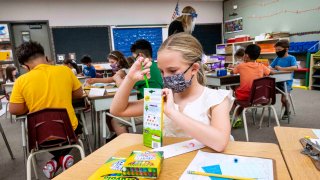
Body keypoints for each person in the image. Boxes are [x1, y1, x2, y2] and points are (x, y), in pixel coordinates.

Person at [110, 33, 233, 152]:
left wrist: (173, 113)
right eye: (162, 72)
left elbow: (220, 142)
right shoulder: (162, 97)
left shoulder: (216, 99)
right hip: (171, 164)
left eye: (172, 71)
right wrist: (130, 78)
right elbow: (118, 110)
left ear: (194, 68)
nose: (166, 77)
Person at [9, 41, 84, 178]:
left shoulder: (21, 80)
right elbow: (79, 94)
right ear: (46, 57)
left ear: (25, 66)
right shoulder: (65, 70)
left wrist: (31, 103)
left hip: (39, 136)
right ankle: (61, 158)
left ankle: (57, 159)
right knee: (79, 125)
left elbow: (15, 110)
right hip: (68, 132)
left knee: (43, 134)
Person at [110, 40, 163, 135]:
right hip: (151, 103)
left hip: (151, 107)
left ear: (140, 56)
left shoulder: (145, 69)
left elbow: (122, 86)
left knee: (116, 120)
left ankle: (125, 144)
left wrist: (118, 77)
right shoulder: (154, 66)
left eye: (135, 58)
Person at [231, 44, 271, 126]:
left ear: (246, 55)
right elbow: (269, 72)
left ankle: (236, 117)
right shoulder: (261, 66)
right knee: (241, 93)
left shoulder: (241, 66)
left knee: (235, 98)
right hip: (259, 96)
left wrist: (233, 68)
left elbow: (232, 72)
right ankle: (237, 116)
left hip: (245, 97)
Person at [270, 39, 297, 120]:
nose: (277, 51)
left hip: (286, 82)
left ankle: (287, 109)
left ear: (286, 49)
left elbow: (294, 67)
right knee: (266, 91)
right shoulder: (277, 58)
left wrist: (281, 68)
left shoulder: (291, 58)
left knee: (284, 99)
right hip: (276, 81)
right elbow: (270, 67)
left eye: (279, 49)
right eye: (276, 50)